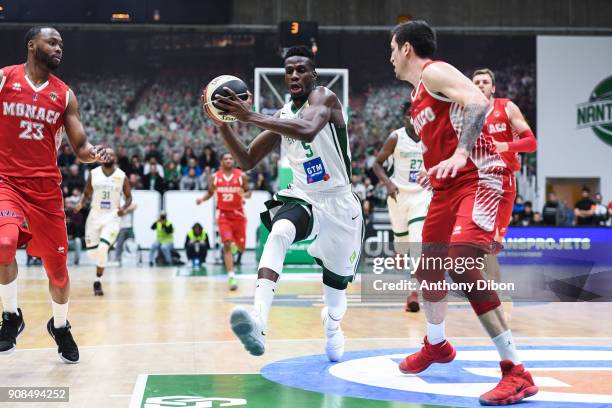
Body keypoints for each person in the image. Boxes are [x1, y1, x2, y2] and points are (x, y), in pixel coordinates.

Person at [390, 20, 537, 405]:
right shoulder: (418, 95)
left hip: (481, 177)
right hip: (447, 187)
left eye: (392, 49)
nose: (389, 58)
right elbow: (448, 129)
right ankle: (436, 344)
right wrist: (434, 165)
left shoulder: (433, 71)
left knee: (460, 263)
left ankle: (516, 371)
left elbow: (477, 102)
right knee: (427, 268)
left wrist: (458, 154)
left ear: (407, 48)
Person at [203, 46, 364, 362]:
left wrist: (248, 115)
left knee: (336, 298)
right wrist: (223, 125)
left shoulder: (325, 99)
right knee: (278, 233)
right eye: (289, 70)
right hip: (304, 197)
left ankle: (332, 327)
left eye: (301, 69)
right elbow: (247, 159)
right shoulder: (282, 114)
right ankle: (258, 322)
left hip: (340, 204)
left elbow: (307, 130)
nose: (294, 75)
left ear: (313, 75)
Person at [0, 26, 111, 362]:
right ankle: (10, 317)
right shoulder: (5, 79)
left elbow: (79, 147)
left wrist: (94, 154)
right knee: (3, 243)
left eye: (61, 43)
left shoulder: (64, 95)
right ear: (32, 45)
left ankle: (60, 327)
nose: (59, 48)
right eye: (52, 42)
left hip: (46, 190)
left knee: (58, 271)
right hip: (7, 182)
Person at [472, 67, 537, 317]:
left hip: (503, 183)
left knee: (489, 246)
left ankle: (494, 298)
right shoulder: (466, 112)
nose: (480, 85)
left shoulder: (506, 107)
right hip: (476, 183)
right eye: (476, 81)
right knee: (476, 245)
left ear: (493, 87)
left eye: (485, 81)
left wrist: (505, 145)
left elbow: (531, 142)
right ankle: (491, 299)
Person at [372, 102, 430, 313]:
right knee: (402, 242)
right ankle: (399, 251)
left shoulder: (430, 137)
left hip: (421, 195)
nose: (414, 118)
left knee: (417, 241)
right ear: (405, 117)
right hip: (397, 194)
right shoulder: (396, 137)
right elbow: (376, 164)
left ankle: (413, 293)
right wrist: (387, 183)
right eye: (410, 114)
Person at [76, 149, 132, 296]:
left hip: (112, 216)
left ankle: (97, 281)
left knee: (102, 248)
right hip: (95, 216)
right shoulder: (94, 174)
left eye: (111, 154)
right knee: (92, 254)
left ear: (115, 158)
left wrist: (124, 207)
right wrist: (81, 203)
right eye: (105, 154)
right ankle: (100, 257)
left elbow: (129, 197)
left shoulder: (121, 176)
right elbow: (87, 193)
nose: (108, 156)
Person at [196, 153, 251, 291]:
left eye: (231, 158)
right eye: (225, 158)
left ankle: (235, 247)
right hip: (223, 215)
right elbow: (210, 193)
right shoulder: (215, 177)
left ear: (234, 161)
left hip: (238, 215)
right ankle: (231, 275)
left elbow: (249, 192)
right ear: (221, 162)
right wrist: (202, 199)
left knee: (241, 247)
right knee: (226, 244)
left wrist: (243, 194)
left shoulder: (241, 176)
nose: (228, 160)